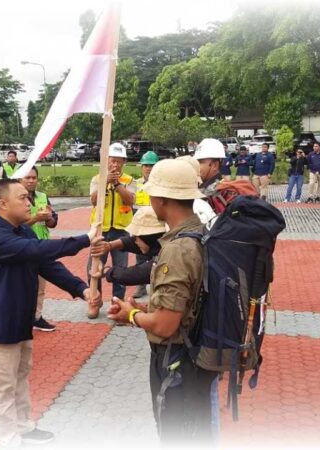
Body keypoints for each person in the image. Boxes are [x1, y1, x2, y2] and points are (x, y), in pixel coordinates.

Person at [0, 179, 100, 447]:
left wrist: (82, 289)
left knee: (19, 377)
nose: (28, 202)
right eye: (22, 198)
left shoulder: (22, 231)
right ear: (2, 204)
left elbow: (46, 263)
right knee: (1, 386)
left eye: (28, 197)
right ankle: (8, 439)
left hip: (21, 319)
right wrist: (85, 239)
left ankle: (23, 427)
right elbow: (39, 250)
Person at [106, 159, 218, 445]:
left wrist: (131, 315)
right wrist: (147, 309)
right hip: (193, 354)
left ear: (162, 199)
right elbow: (186, 303)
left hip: (176, 359)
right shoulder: (200, 233)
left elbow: (166, 325)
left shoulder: (177, 249)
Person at [87, 143, 136, 319]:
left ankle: (117, 303)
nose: (114, 165)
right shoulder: (97, 178)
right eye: (112, 161)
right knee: (93, 268)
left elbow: (131, 200)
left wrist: (117, 184)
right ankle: (94, 300)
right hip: (100, 230)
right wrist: (104, 183)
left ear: (124, 162)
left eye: (118, 161)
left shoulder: (129, 180)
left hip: (121, 232)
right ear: (106, 161)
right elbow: (93, 201)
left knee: (120, 269)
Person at [20, 166, 60, 332]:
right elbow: (14, 225)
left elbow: (53, 222)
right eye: (27, 177)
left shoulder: (43, 197)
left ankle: (36, 317)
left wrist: (49, 218)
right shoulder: (16, 200)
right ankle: (21, 320)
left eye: (34, 177)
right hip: (23, 248)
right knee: (21, 287)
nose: (31, 181)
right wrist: (36, 217)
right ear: (20, 180)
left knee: (40, 288)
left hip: (42, 248)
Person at [134, 151, 159, 298]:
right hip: (141, 228)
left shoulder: (161, 185)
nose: (148, 169)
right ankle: (141, 286)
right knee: (140, 259)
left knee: (157, 259)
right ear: (141, 167)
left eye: (152, 166)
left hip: (157, 228)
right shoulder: (136, 184)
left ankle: (156, 288)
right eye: (146, 166)